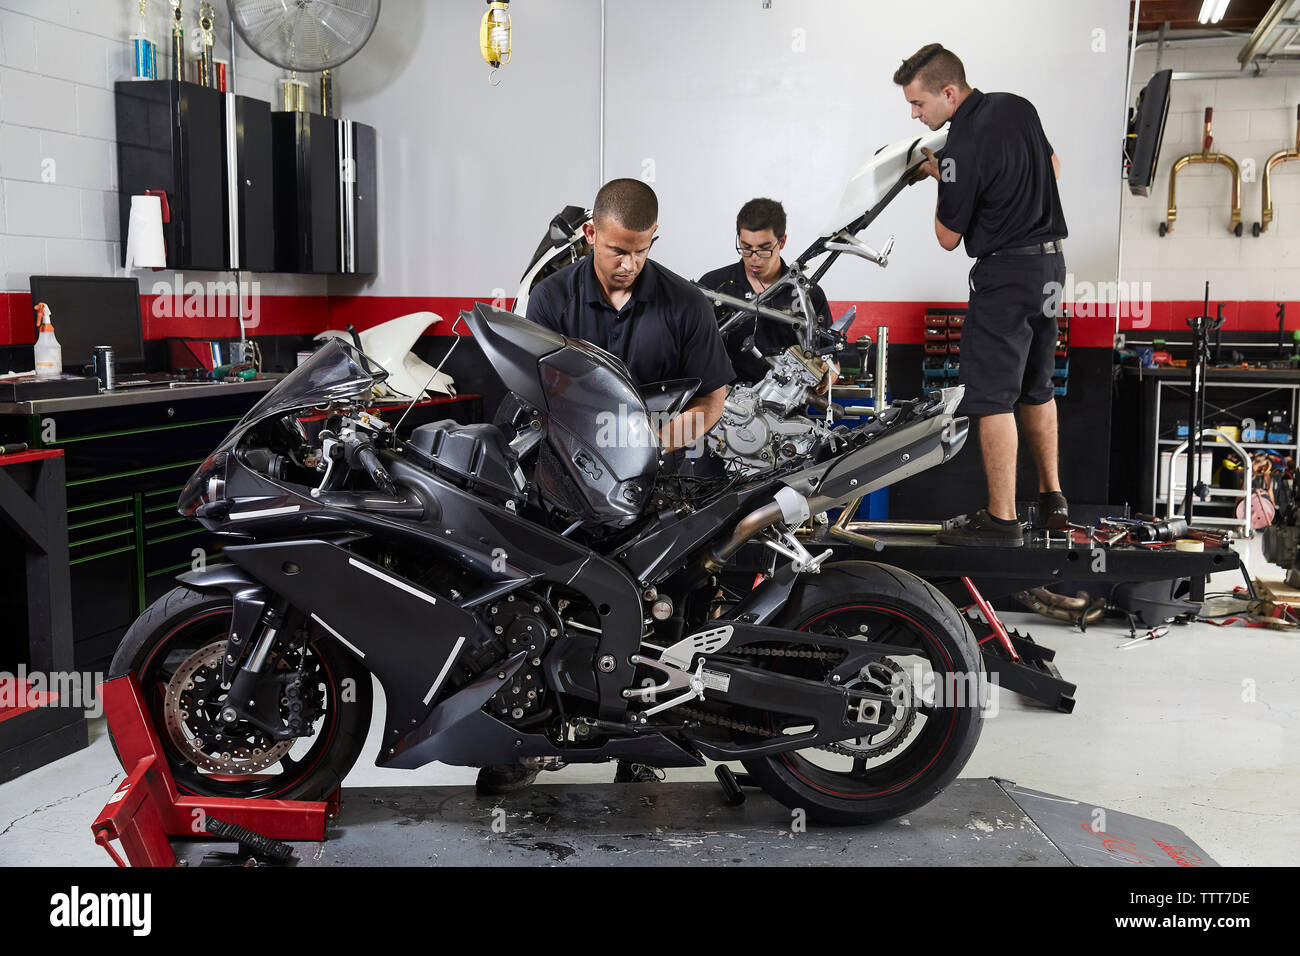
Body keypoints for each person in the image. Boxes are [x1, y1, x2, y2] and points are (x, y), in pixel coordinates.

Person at [476, 178, 735, 795]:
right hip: (559, 485)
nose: (630, 264)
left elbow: (714, 399)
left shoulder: (685, 305)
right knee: (534, 607)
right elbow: (528, 398)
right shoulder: (551, 298)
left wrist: (651, 448)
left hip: (655, 488)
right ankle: (522, 741)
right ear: (591, 234)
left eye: (642, 251)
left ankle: (638, 741)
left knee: (655, 614)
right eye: (619, 249)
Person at [895, 43, 1069, 547]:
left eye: (919, 103)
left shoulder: (961, 145)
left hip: (1006, 275)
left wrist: (938, 178)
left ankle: (1002, 519)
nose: (915, 113)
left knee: (991, 397)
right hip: (1052, 267)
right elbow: (1053, 168)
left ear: (949, 93)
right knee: (1038, 384)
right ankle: (1052, 497)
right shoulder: (1019, 106)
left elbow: (947, 238)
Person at [698, 198, 836, 390]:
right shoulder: (715, 287)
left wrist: (827, 375)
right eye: (746, 248)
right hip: (726, 406)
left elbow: (831, 360)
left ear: (782, 241)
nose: (754, 258)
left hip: (785, 411)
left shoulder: (808, 295)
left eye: (764, 249)